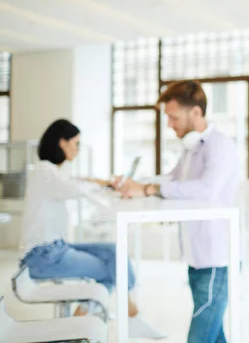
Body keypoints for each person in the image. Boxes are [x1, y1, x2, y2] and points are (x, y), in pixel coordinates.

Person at [19, 119, 166, 340]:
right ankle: (130, 317)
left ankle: (83, 322)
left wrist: (104, 182)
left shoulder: (52, 172)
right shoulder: (43, 170)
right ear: (62, 143)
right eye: (76, 143)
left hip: (55, 249)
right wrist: (102, 184)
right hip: (41, 256)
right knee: (111, 269)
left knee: (113, 252)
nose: (78, 149)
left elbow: (78, 182)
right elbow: (73, 188)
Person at [117, 80, 241, 343]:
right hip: (196, 255)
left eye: (173, 117)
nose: (170, 124)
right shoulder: (191, 147)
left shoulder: (220, 145)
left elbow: (206, 189)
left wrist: (149, 189)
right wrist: (139, 185)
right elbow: (172, 180)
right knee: (213, 333)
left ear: (196, 112)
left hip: (216, 257)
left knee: (200, 336)